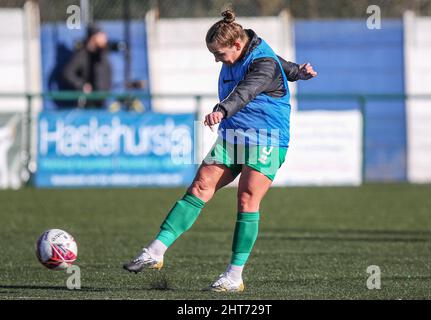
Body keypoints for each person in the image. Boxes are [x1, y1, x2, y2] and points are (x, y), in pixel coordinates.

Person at [123, 10, 317, 292]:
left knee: (247, 199)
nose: (217, 60)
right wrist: (298, 71)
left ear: (237, 45)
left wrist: (221, 109)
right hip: (234, 135)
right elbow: (282, 65)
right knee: (200, 185)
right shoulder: (251, 52)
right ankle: (154, 252)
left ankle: (234, 276)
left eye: (219, 54)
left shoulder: (262, 63)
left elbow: (248, 90)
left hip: (268, 138)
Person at [61, 24, 112, 109]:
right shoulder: (82, 55)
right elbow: (67, 73)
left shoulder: (102, 55)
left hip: (102, 103)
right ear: (93, 38)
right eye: (101, 36)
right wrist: (82, 85)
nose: (105, 39)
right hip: (87, 105)